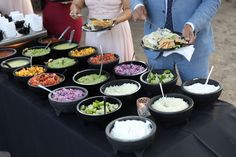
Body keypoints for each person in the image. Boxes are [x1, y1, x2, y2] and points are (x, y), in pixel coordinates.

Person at [130, 0, 221, 82]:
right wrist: (137, 4)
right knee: (159, 96)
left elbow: (212, 1)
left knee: (197, 95)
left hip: (193, 44)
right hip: (156, 45)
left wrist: (192, 24)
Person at [70, 0, 134, 62]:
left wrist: (115, 21)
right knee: (95, 62)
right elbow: (76, 4)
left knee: (119, 64)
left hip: (117, 28)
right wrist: (75, 10)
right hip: (93, 30)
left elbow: (129, 9)